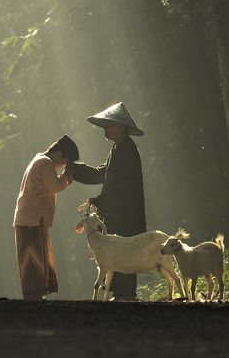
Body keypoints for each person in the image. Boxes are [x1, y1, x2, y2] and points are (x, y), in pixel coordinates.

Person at [66, 102, 147, 300]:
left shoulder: (127, 150)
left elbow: (121, 186)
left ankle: (126, 294)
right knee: (117, 251)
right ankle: (121, 294)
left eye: (109, 125)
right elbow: (103, 173)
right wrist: (75, 169)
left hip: (125, 212)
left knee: (124, 251)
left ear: (120, 127)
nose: (105, 128)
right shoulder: (118, 148)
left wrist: (99, 200)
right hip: (118, 211)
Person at [13, 135, 78, 300]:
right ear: (59, 154)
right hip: (32, 216)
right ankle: (33, 295)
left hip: (31, 216)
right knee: (32, 255)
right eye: (64, 161)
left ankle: (35, 294)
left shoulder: (39, 159)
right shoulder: (45, 163)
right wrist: (67, 176)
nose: (62, 166)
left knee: (35, 255)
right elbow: (54, 186)